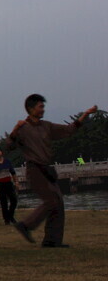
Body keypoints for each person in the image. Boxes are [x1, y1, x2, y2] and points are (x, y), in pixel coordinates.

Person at [8, 95, 98, 248]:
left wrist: (85, 114)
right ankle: (26, 225)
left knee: (59, 203)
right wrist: (15, 129)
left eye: (43, 107)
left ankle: (52, 241)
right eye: (40, 107)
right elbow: (10, 145)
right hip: (34, 169)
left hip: (47, 169)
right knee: (51, 201)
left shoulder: (47, 126)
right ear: (30, 109)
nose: (43, 110)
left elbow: (69, 130)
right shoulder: (23, 128)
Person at [0, 147, 18, 225]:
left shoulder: (7, 161)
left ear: (2, 152)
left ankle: (11, 216)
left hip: (8, 182)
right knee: (3, 202)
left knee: (14, 200)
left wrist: (16, 182)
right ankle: (6, 219)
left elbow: (13, 172)